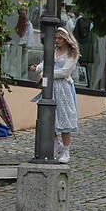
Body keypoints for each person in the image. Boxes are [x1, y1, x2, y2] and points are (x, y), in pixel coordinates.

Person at [30, 27, 79, 163]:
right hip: (51, 87)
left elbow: (64, 72)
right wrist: (37, 68)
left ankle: (66, 151)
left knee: (64, 120)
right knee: (48, 117)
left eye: (59, 38)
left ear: (66, 39)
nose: (57, 41)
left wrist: (46, 73)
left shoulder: (71, 54)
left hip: (63, 88)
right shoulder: (54, 52)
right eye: (56, 38)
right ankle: (56, 143)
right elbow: (45, 64)